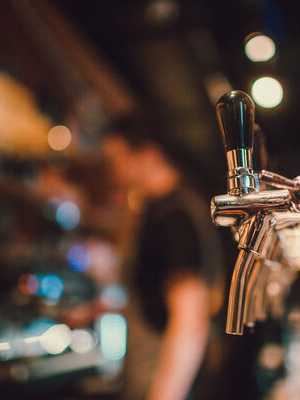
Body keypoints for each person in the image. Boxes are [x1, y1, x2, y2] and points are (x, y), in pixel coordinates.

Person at [101, 116, 224, 400]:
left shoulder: (173, 217)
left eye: (117, 159)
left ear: (148, 155)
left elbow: (190, 319)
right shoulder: (160, 211)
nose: (113, 171)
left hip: (164, 381)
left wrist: (165, 394)